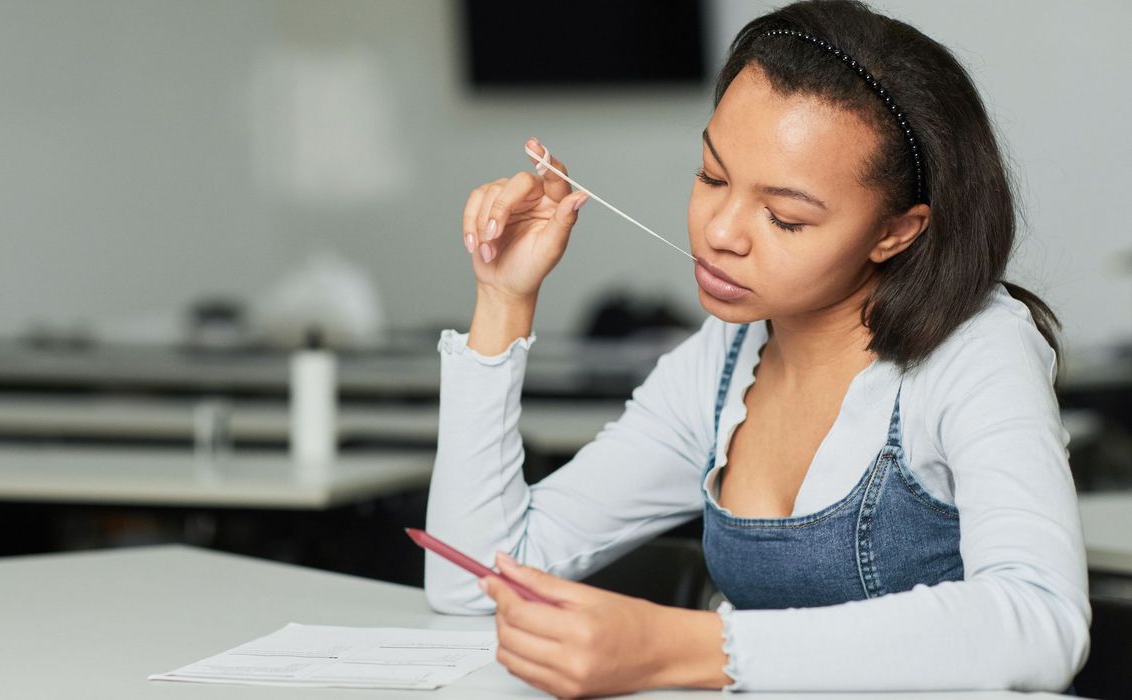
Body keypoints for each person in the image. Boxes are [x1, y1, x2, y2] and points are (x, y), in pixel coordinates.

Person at [423, 0, 1090, 695]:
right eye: (711, 176)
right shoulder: (721, 360)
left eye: (784, 217)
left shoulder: (975, 350)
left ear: (896, 231)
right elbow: (471, 577)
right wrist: (502, 301)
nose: (720, 231)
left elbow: (1039, 619)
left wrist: (687, 647)